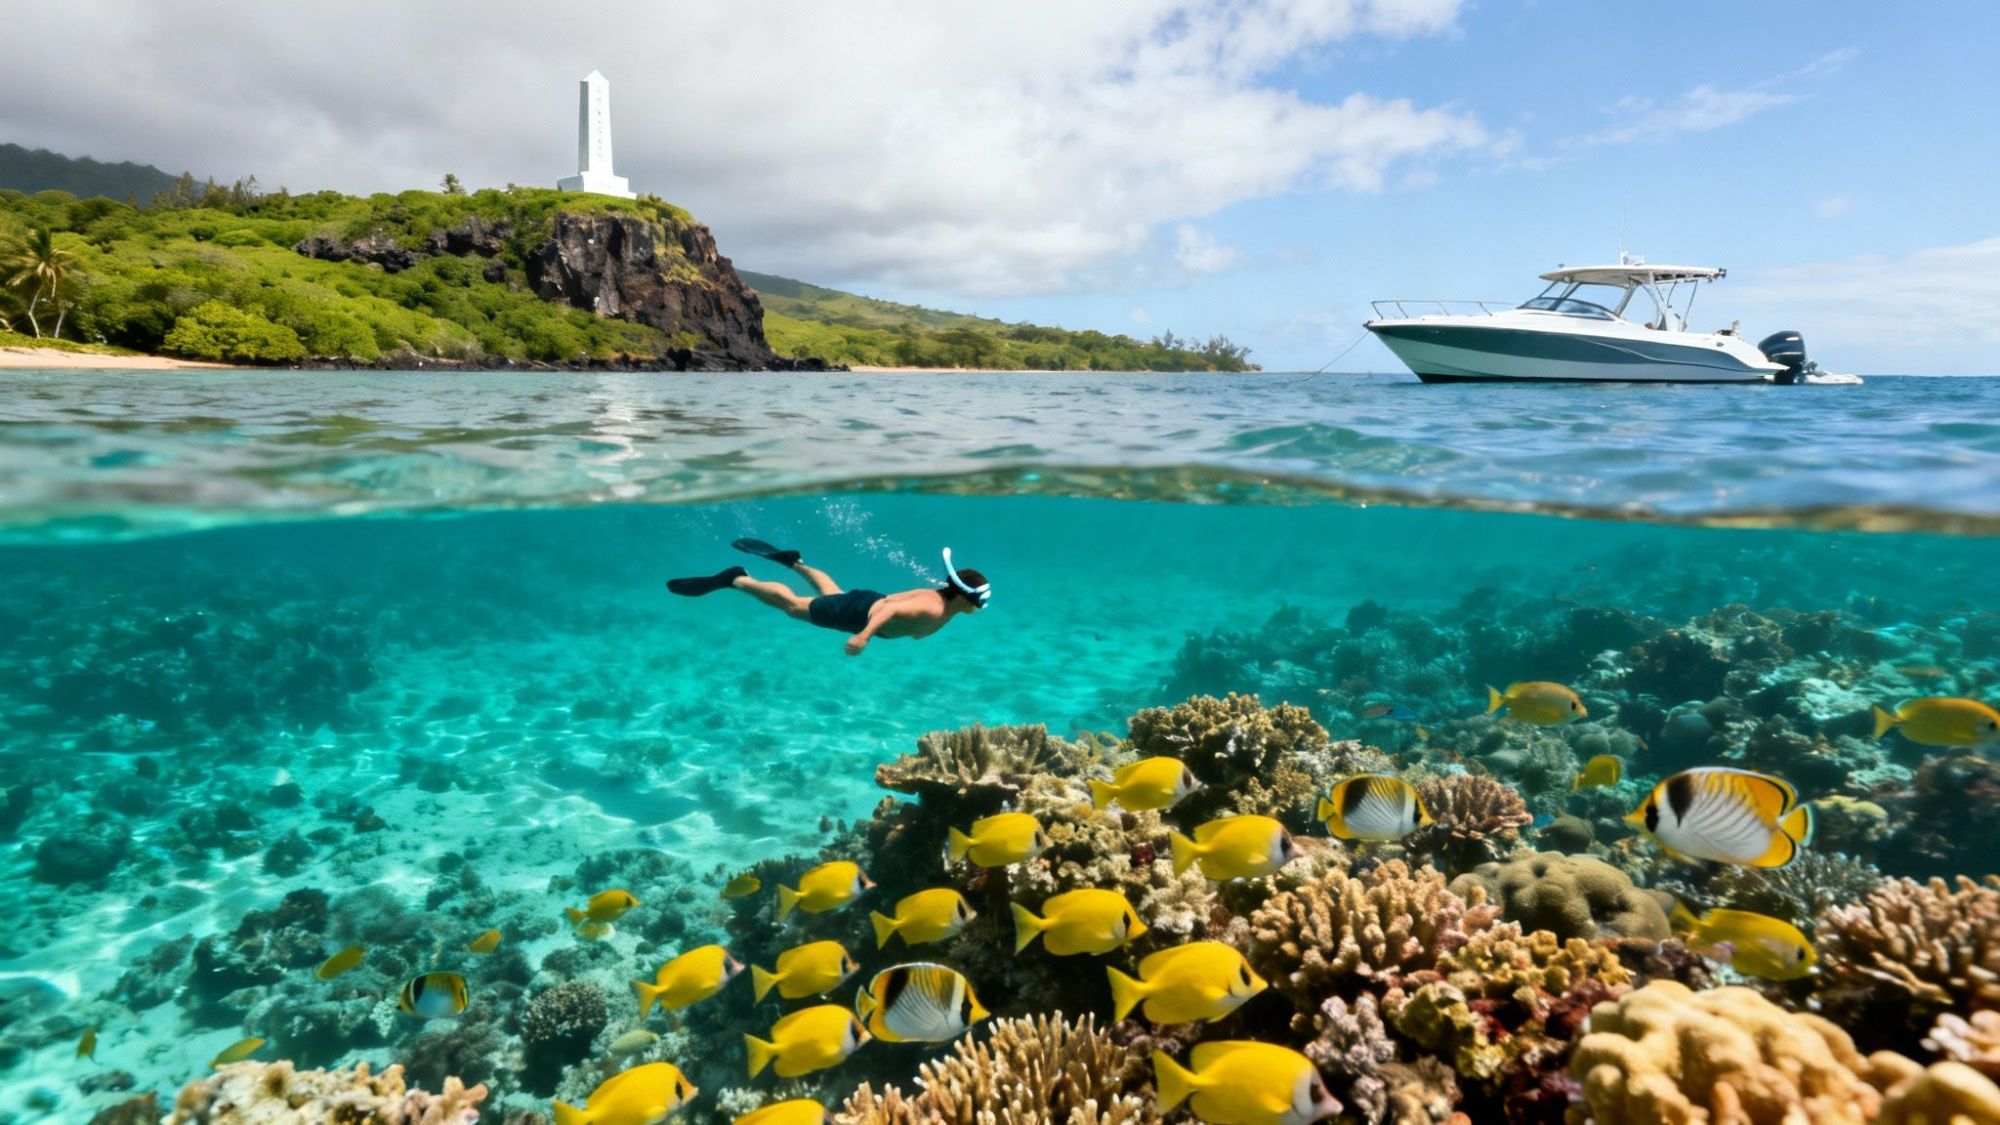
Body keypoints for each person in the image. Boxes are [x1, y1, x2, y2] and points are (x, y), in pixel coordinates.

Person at [667, 540, 989, 656]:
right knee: (794, 607)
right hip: (859, 615)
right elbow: (891, 611)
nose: (979, 608)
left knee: (832, 593)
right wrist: (863, 637)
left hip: (862, 603)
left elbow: (894, 605)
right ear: (965, 598)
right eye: (978, 602)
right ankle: (737, 579)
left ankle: (793, 561)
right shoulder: (933, 608)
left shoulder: (940, 598)